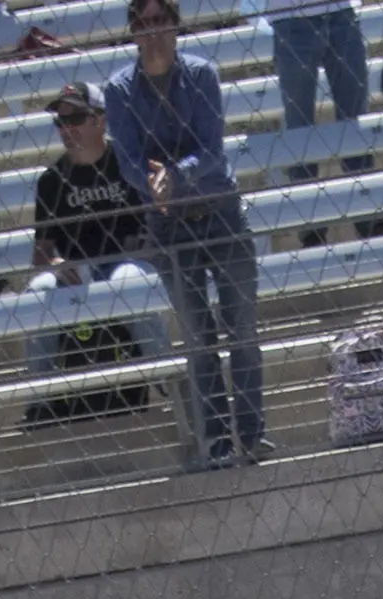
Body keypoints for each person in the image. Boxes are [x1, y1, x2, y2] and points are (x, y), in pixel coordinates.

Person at [105, 0, 262, 464]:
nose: (152, 32)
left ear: (175, 26)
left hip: (220, 212)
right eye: (143, 23)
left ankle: (251, 435)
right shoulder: (119, 90)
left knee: (243, 328)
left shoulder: (202, 74)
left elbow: (213, 150)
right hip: (168, 223)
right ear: (133, 31)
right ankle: (215, 440)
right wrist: (153, 182)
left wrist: (172, 175)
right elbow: (128, 161)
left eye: (160, 22)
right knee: (197, 337)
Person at [19, 81, 158, 425]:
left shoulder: (127, 162)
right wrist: (55, 265)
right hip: (77, 269)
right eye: (60, 121)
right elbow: (42, 253)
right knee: (38, 293)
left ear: (100, 120)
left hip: (130, 262)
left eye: (76, 118)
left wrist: (148, 245)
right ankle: (42, 400)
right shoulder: (51, 181)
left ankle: (167, 382)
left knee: (129, 284)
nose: (66, 128)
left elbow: (158, 223)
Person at [267, 0, 365, 236]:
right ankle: (311, 229)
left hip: (340, 10)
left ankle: (369, 216)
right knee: (300, 126)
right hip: (289, 14)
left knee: (356, 121)